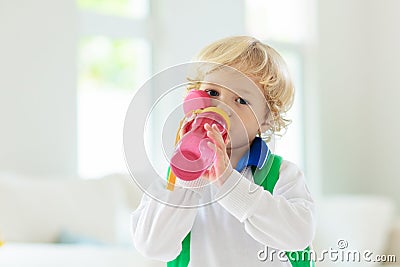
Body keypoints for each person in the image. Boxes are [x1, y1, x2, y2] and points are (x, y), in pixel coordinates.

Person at [131, 36, 316, 267]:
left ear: (266, 120)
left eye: (241, 100)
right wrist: (189, 175)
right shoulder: (175, 179)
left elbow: (299, 235)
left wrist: (228, 182)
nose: (222, 107)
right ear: (193, 98)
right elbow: (152, 245)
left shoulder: (282, 174)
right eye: (212, 93)